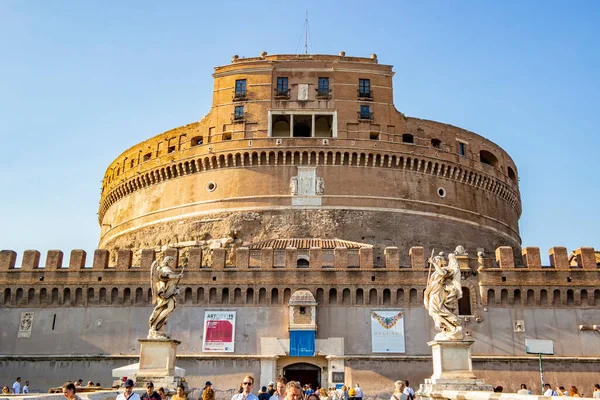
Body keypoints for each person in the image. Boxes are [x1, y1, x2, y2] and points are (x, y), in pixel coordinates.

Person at [424, 252, 463, 340]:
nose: (436, 261)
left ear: (442, 262)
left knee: (436, 310)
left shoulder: (446, 269)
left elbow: (442, 273)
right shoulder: (434, 273)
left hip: (438, 291)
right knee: (433, 311)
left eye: (437, 260)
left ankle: (452, 324)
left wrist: (433, 263)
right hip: (433, 291)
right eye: (436, 260)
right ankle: (450, 328)